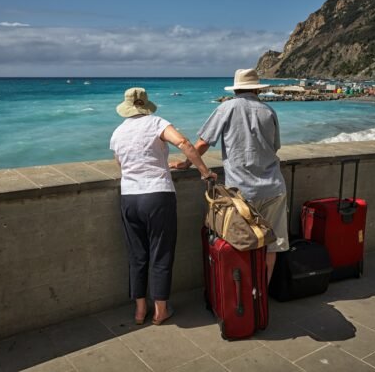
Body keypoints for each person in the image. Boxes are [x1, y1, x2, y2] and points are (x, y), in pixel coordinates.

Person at [170, 69, 289, 285]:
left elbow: (203, 142)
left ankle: (243, 296)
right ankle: (262, 293)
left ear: (236, 88)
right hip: (274, 187)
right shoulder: (268, 110)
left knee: (241, 243)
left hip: (241, 193)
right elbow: (275, 147)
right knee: (272, 245)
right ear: (256, 89)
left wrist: (187, 163)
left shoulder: (226, 108)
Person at [110, 87, 217, 326]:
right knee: (161, 252)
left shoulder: (117, 133)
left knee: (137, 255)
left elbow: (123, 165)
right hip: (157, 196)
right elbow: (184, 142)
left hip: (129, 197)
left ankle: (139, 310)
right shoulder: (156, 123)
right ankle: (160, 310)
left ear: (126, 107)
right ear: (146, 105)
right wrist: (205, 172)